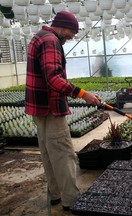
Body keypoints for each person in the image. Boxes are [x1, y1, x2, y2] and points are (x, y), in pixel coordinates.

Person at [25, 11, 101, 211]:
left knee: (49, 154)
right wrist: (82, 93)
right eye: (72, 32)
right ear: (63, 26)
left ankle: (56, 194)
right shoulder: (51, 41)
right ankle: (72, 200)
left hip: (38, 108)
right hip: (51, 107)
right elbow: (53, 78)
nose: (72, 36)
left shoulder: (38, 37)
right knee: (63, 153)